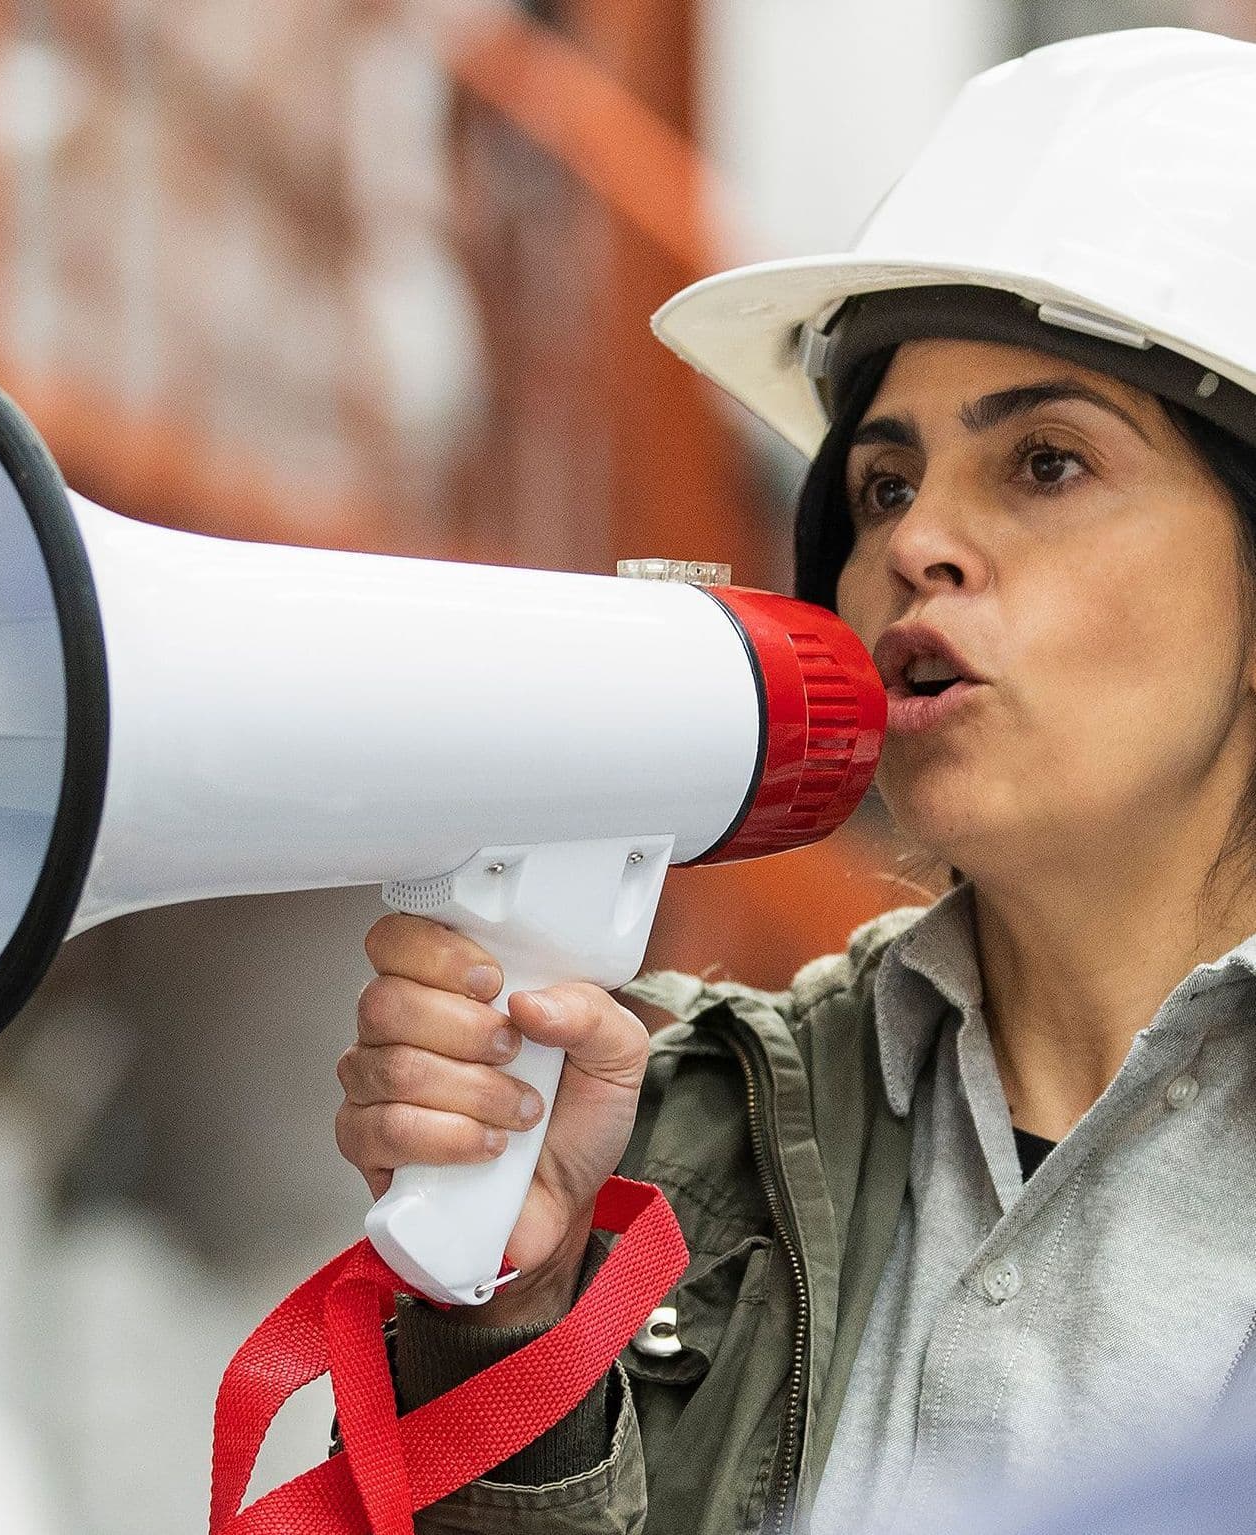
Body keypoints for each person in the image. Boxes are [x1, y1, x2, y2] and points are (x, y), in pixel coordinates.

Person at [333, 26, 1256, 1534]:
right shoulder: (676, 1135)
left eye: (1045, 464)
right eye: (884, 484)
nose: (910, 547)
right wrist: (507, 1323)